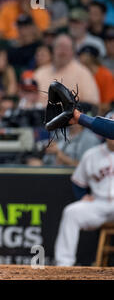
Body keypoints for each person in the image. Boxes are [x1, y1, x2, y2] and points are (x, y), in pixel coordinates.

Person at [54, 111, 114, 266]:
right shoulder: (92, 154)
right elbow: (78, 181)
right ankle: (63, 264)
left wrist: (79, 117)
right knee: (71, 212)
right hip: (98, 204)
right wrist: (82, 196)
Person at [34, 34, 100, 107]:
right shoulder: (40, 73)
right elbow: (28, 99)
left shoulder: (83, 73)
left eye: (66, 48)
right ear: (53, 50)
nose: (62, 52)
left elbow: (92, 103)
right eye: (60, 47)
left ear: (73, 52)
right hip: (42, 115)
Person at [77, 44, 114, 115]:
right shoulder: (80, 74)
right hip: (83, 111)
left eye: (82, 55)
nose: (80, 58)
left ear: (90, 57)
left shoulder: (105, 75)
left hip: (102, 114)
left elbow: (107, 104)